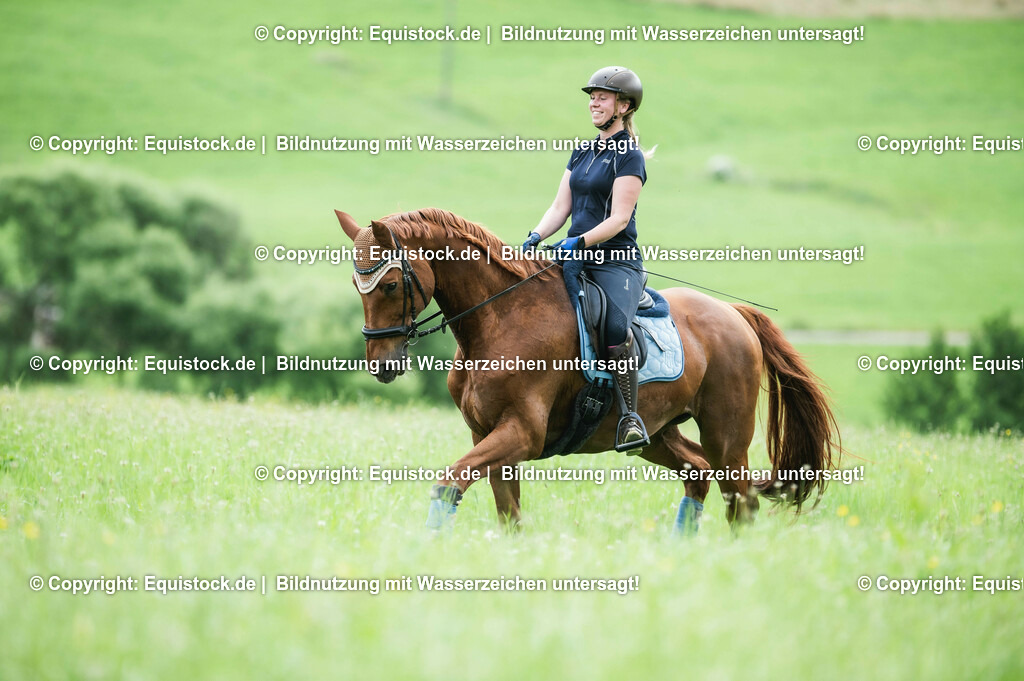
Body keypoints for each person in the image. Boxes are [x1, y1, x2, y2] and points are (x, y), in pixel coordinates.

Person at [523, 66, 650, 455]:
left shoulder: (630, 156)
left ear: (624, 106)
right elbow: (561, 205)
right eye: (591, 96)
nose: (594, 101)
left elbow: (619, 219)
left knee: (614, 326)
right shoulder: (581, 151)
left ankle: (630, 417)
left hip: (616, 263)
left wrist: (578, 241)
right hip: (574, 258)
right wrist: (535, 236)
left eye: (603, 96)